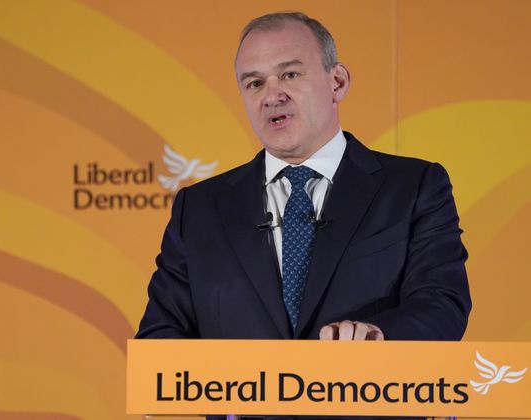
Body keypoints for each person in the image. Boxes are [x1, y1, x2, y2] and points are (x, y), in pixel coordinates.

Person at [136, 11, 471, 419]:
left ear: (337, 82)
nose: (271, 94)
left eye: (290, 75)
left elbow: (442, 304)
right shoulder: (199, 208)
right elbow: (161, 335)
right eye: (254, 82)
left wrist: (380, 337)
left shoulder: (414, 185)